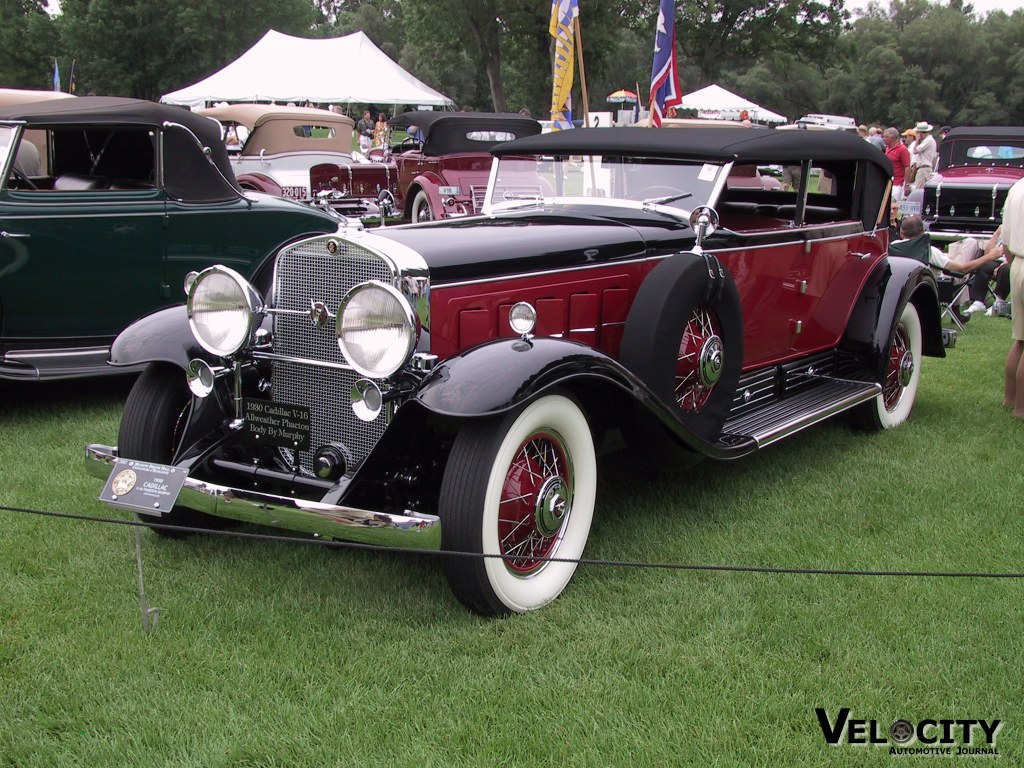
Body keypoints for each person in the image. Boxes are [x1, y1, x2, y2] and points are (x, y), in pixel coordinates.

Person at [1001, 176, 1024, 417]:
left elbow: (1005, 238)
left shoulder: (1017, 187)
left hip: (1017, 263)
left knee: (1020, 338)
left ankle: (1010, 400)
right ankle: (1021, 408)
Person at [882, 127, 912, 200]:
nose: (883, 138)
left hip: (897, 184)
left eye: (886, 137)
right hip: (889, 181)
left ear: (892, 138)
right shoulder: (887, 148)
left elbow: (907, 167)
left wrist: (907, 185)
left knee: (894, 204)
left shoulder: (902, 149)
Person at [908, 121, 938, 187]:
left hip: (924, 169)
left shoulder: (928, 140)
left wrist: (917, 140)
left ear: (921, 133)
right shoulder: (927, 141)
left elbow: (915, 151)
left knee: (919, 190)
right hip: (923, 169)